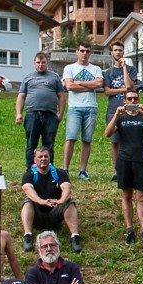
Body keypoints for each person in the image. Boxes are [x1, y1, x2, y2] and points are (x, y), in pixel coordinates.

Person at [102, 87, 143, 248]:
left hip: (141, 160)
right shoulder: (120, 117)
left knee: (141, 198)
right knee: (126, 195)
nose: (133, 101)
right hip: (124, 159)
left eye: (135, 99)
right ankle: (129, 230)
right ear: (125, 101)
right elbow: (107, 133)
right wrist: (116, 115)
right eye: (130, 99)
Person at [19, 146, 82, 252]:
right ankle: (28, 236)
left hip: (55, 211)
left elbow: (67, 187)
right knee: (27, 202)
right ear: (35, 160)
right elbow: (27, 189)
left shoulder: (60, 173)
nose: (43, 159)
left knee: (69, 202)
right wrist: (40, 201)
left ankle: (75, 237)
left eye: (46, 156)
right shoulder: (29, 174)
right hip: (37, 215)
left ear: (49, 158)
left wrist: (61, 200)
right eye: (40, 157)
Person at [60, 42, 104, 181]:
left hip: (91, 107)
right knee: (70, 138)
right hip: (74, 107)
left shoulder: (96, 68)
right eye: (82, 51)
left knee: (87, 140)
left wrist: (78, 83)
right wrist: (88, 86)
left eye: (87, 51)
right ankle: (65, 169)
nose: (85, 54)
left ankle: (83, 170)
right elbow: (69, 86)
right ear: (77, 52)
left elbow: (99, 84)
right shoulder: (69, 68)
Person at [13, 50, 65, 166]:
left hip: (50, 115)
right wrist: (19, 113)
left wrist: (60, 114)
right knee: (31, 144)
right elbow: (21, 96)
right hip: (32, 114)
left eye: (43, 62)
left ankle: (48, 169)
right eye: (38, 62)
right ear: (34, 63)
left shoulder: (54, 77)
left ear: (47, 63)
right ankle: (31, 169)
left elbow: (61, 96)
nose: (40, 65)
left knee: (49, 144)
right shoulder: (28, 77)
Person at [102, 39, 136, 122]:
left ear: (123, 52)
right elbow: (107, 92)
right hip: (113, 110)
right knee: (113, 134)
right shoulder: (108, 72)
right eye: (115, 50)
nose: (118, 52)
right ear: (111, 52)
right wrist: (126, 90)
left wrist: (124, 67)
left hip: (130, 109)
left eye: (120, 50)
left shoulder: (131, 69)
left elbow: (129, 85)